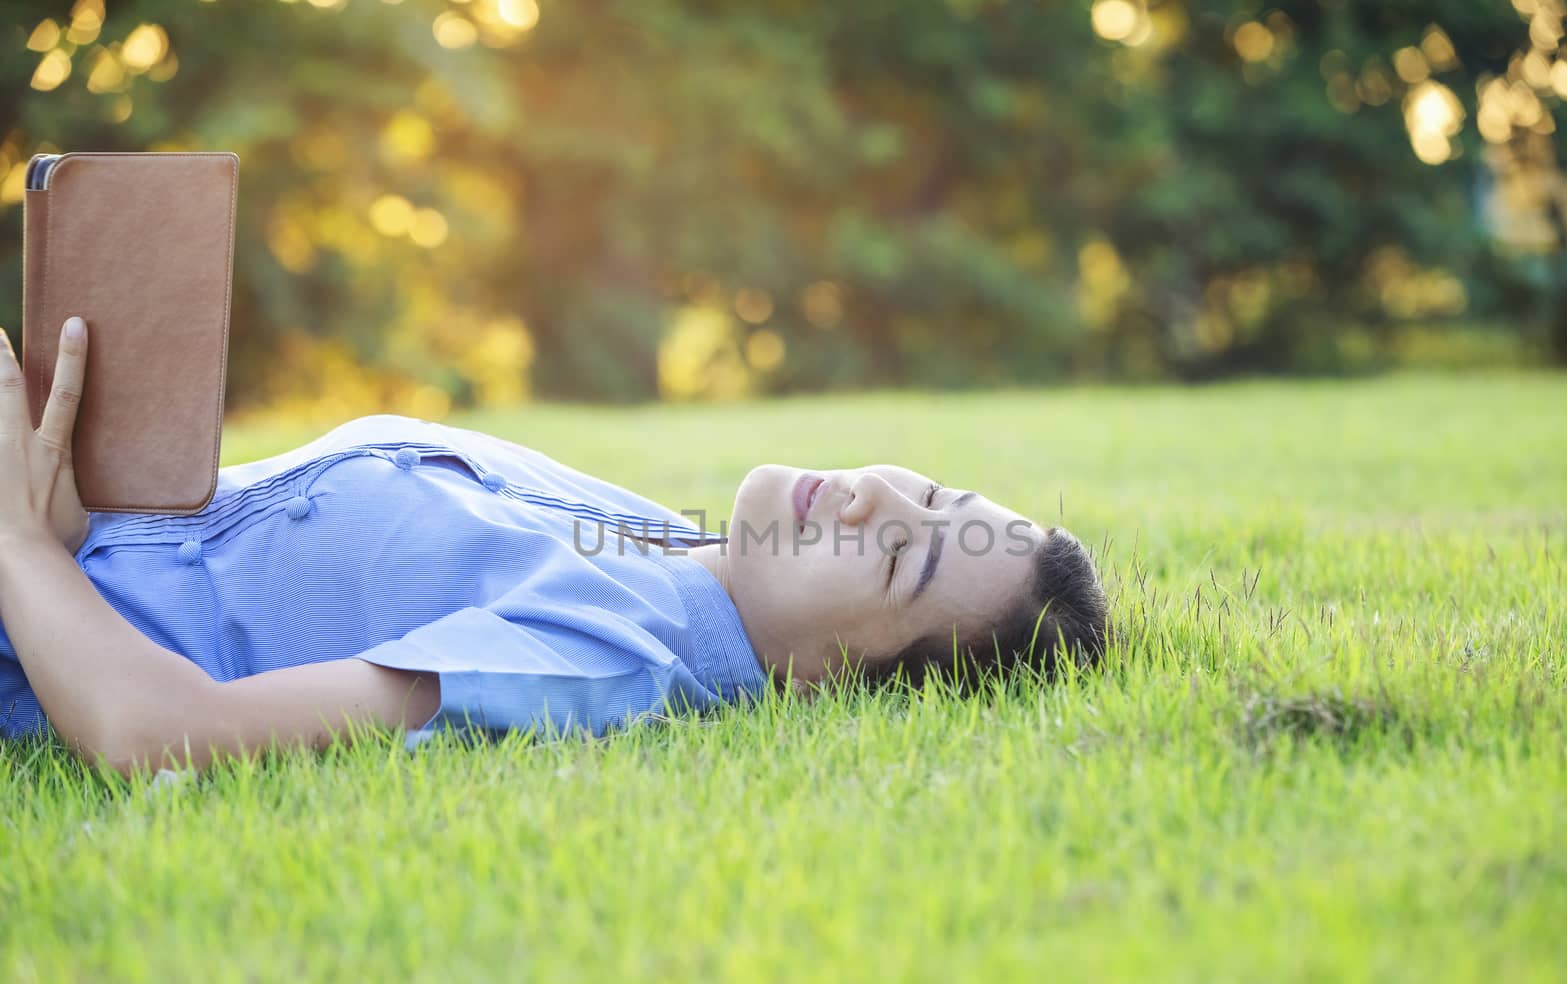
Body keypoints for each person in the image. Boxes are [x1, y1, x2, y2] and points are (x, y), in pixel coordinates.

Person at [0, 318, 1107, 775]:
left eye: (896, 555)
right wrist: (76, 521)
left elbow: (163, 732)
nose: (870, 496)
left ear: (819, 681)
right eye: (923, 491)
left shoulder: (608, 652)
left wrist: (22, 546)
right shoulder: (669, 546)